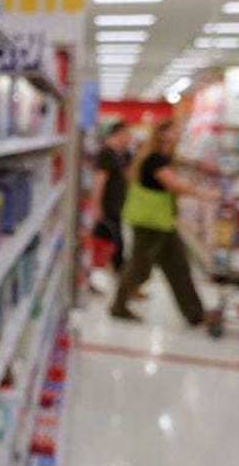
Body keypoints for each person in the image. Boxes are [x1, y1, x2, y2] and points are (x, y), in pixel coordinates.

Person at [110, 119, 220, 324]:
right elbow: (174, 185)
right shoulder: (155, 159)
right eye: (175, 131)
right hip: (150, 222)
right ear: (162, 134)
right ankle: (118, 305)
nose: (179, 134)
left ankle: (195, 314)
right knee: (139, 268)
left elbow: (178, 176)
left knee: (178, 268)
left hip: (161, 222)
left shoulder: (162, 157)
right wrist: (204, 194)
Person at [90, 121, 133, 272]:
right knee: (115, 239)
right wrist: (96, 206)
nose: (130, 138)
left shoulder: (122, 153)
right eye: (128, 134)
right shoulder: (106, 154)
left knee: (113, 238)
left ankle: (112, 269)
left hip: (117, 204)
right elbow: (99, 181)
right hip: (108, 205)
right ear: (118, 134)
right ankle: (118, 271)